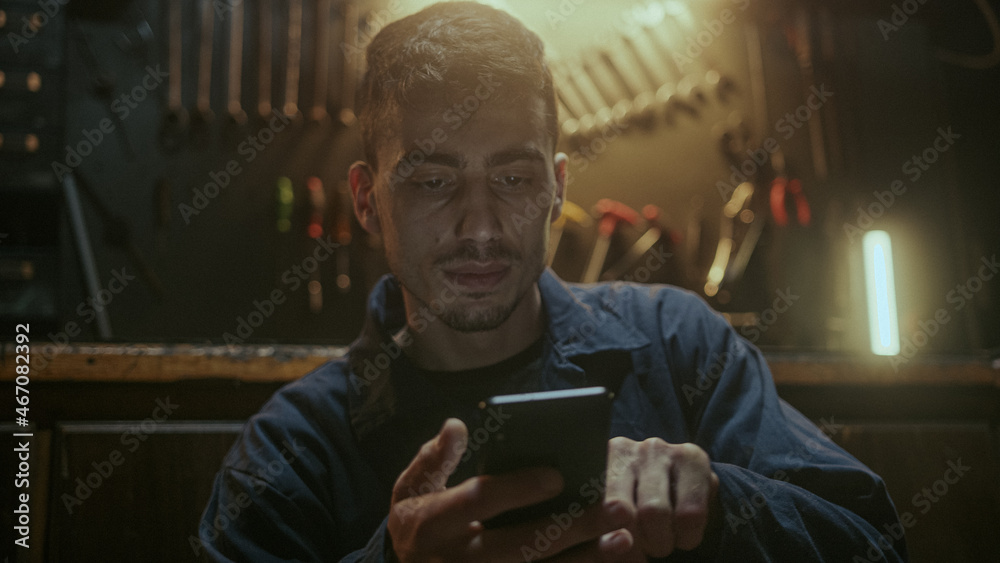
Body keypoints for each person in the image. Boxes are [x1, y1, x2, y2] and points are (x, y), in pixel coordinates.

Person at [198, 3, 907, 561]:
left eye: (513, 178)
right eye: (434, 181)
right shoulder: (290, 451)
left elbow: (875, 542)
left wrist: (723, 505)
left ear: (557, 185)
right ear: (365, 198)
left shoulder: (680, 344)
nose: (480, 225)